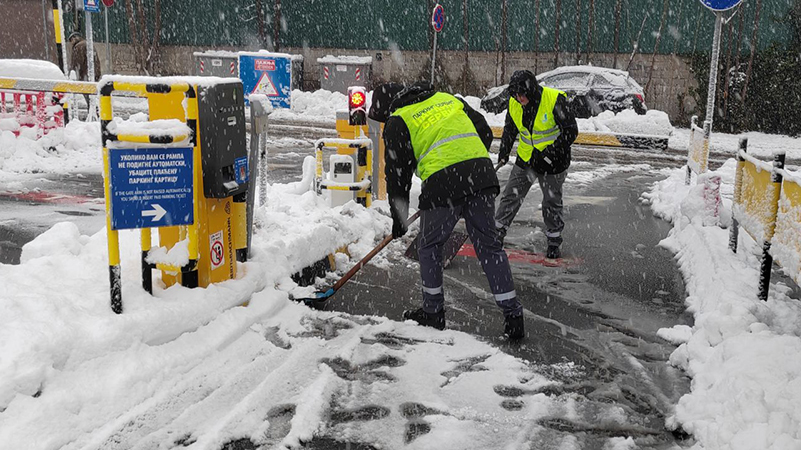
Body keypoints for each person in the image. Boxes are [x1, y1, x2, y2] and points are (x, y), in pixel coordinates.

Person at [368, 82, 524, 339]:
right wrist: (468, 163)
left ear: (386, 108)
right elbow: (484, 131)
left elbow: (398, 177)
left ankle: (433, 313)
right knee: (490, 248)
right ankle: (514, 316)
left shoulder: (399, 120)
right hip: (481, 176)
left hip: (443, 184)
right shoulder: (447, 99)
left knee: (429, 247)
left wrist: (399, 218)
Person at [494, 70, 578, 259]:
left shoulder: (554, 99)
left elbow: (570, 131)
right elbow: (510, 129)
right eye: (515, 94)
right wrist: (504, 153)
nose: (518, 98)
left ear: (531, 90)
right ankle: (497, 233)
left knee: (551, 202)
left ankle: (554, 241)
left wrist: (549, 153)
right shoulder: (515, 102)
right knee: (510, 196)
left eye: (522, 94)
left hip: (553, 161)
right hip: (526, 159)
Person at [68, 31, 101, 111]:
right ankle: (94, 109)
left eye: (71, 40)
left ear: (74, 38)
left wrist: (72, 73)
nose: (71, 42)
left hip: (85, 74)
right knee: (92, 93)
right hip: (94, 73)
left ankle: (93, 110)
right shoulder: (88, 44)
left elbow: (77, 63)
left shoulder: (78, 47)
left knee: (87, 93)